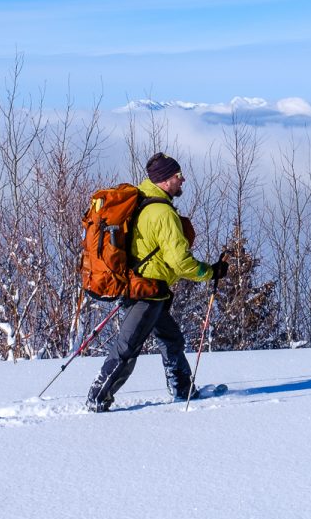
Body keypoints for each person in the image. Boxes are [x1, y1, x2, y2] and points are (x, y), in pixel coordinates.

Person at [87, 152, 228, 412]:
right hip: (147, 292)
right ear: (164, 180)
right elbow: (180, 262)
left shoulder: (142, 201)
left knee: (171, 339)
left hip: (150, 289)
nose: (182, 180)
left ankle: (182, 388)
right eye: (177, 176)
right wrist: (211, 272)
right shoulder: (162, 213)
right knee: (127, 348)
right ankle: (98, 398)